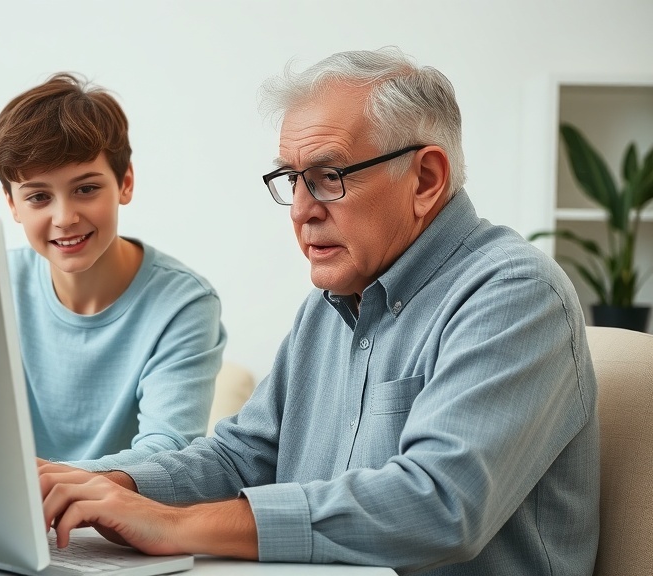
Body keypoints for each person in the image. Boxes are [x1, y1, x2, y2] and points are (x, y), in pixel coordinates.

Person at [37, 47, 599, 575]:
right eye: (291, 180)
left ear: (425, 179)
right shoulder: (328, 306)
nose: (301, 211)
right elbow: (240, 458)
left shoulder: (514, 294)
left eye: (329, 178)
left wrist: (175, 525)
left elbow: (437, 503)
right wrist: (93, 484)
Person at [0, 73, 227, 470]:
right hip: (6, 516)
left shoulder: (184, 303)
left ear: (125, 183)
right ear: (13, 205)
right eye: (39, 197)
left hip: (115, 524)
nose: (64, 218)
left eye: (85, 189)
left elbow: (166, 452)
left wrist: (35, 482)